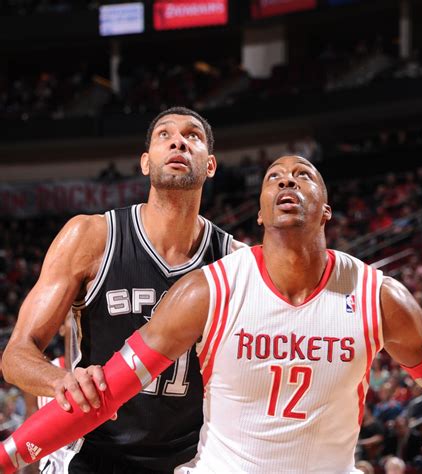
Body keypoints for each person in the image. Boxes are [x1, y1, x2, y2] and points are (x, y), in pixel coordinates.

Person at [1, 156, 422, 473]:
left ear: (326, 210)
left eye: (303, 174)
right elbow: (107, 394)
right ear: (260, 216)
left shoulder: (380, 297)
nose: (287, 180)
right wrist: (7, 457)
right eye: (274, 177)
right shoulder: (208, 290)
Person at [1, 106, 244, 473]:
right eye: (165, 134)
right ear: (145, 163)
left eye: (192, 136)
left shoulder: (233, 261)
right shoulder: (91, 237)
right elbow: (15, 355)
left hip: (191, 460)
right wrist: (62, 381)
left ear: (210, 165)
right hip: (93, 451)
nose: (178, 141)